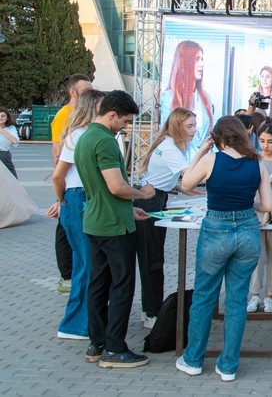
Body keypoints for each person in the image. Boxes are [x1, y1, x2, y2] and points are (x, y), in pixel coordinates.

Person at [175, 116, 272, 382]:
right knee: (237, 300)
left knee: (205, 296)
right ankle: (229, 365)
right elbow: (267, 205)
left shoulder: (211, 160)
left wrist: (201, 152)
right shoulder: (257, 163)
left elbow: (185, 184)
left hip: (216, 229)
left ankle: (193, 359)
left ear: (218, 137)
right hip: (247, 231)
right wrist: (247, 206)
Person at [74, 90, 156, 368]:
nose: (126, 126)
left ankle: (97, 343)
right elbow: (116, 186)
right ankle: (115, 348)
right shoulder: (106, 141)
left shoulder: (84, 137)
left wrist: (128, 208)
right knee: (122, 286)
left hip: (96, 221)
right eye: (125, 120)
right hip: (114, 228)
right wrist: (143, 194)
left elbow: (101, 190)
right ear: (111, 114)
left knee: (98, 284)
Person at [134, 108, 207, 328]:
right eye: (190, 126)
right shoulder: (170, 149)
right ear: (178, 126)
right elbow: (190, 173)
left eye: (195, 125)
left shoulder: (168, 144)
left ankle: (151, 308)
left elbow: (164, 178)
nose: (194, 131)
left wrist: (177, 188)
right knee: (152, 259)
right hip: (149, 201)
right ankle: (151, 311)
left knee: (153, 258)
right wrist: (204, 151)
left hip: (156, 197)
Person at [45, 90, 104, 340]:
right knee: (87, 264)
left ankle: (82, 322)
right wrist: (63, 200)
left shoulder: (82, 134)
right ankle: (77, 325)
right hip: (79, 199)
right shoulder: (79, 135)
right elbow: (59, 175)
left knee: (87, 263)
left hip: (79, 198)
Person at [51, 74, 92, 293]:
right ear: (73, 93)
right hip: (69, 187)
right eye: (85, 91)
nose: (90, 94)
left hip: (73, 187)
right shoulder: (65, 115)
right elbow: (58, 150)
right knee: (65, 229)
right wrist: (61, 191)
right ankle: (66, 275)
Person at [160, 40, 214, 160]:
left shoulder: (206, 97)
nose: (201, 64)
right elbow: (166, 134)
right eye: (196, 59)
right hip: (180, 162)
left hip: (203, 163)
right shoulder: (169, 97)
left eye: (202, 59)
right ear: (185, 62)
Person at [247, 124, 272, 314]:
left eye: (270, 141)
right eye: (262, 141)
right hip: (255, 211)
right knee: (256, 256)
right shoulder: (253, 159)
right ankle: (255, 295)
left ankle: (270, 296)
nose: (265, 145)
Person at [0, 108, 19, 177]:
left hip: (4, 155)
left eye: (3, 116)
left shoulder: (11, 128)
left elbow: (15, 142)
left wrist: (2, 131)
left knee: (12, 178)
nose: (0, 118)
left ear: (7, 118)